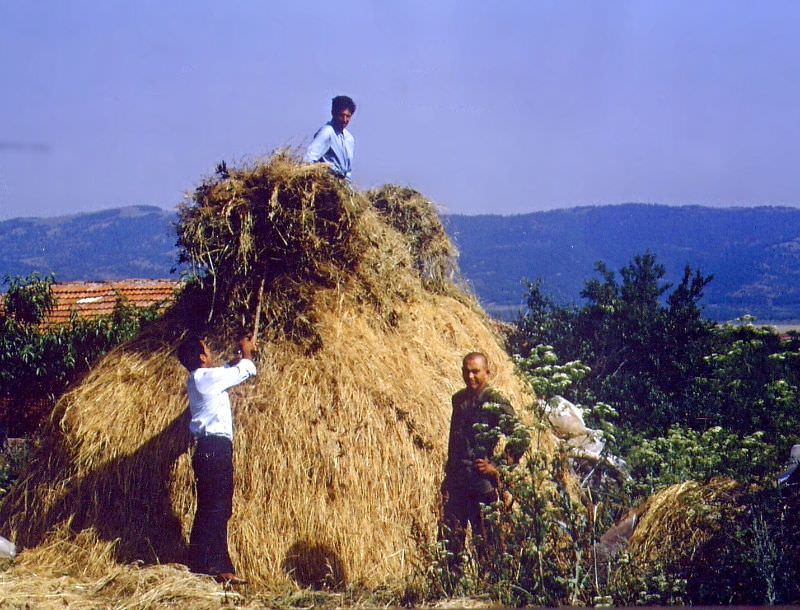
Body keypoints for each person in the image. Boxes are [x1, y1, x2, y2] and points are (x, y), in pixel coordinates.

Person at [177, 335, 257, 585]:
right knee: (219, 508)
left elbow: (225, 372)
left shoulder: (199, 380)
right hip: (216, 448)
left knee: (208, 507)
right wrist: (247, 352)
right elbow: (247, 370)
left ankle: (199, 562)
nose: (210, 351)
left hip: (206, 450)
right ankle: (220, 567)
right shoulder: (207, 379)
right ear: (202, 357)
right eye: (207, 349)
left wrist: (233, 362)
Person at [441, 352, 529, 561]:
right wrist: (448, 477)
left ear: (487, 373)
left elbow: (521, 436)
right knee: (451, 541)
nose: (470, 376)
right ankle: (451, 590)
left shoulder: (494, 401)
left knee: (486, 542)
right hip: (457, 483)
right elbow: (454, 443)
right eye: (466, 371)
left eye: (475, 371)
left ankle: (487, 590)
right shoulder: (459, 400)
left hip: (481, 484)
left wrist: (497, 467)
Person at [304, 95, 356, 181]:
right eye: (341, 115)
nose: (344, 119)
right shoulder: (327, 132)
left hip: (342, 185)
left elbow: (348, 171)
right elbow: (309, 158)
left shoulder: (349, 139)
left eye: (348, 116)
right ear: (333, 113)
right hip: (327, 183)